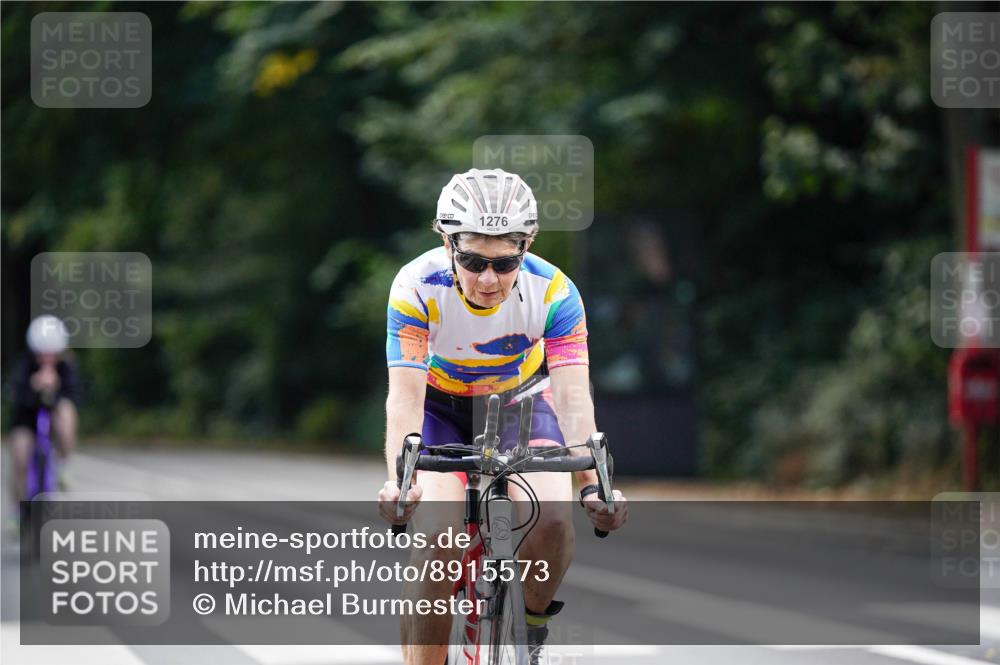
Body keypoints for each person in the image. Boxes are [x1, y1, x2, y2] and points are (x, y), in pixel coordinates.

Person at [376, 168, 628, 665]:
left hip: (521, 404)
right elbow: (405, 396)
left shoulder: (557, 293)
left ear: (528, 245)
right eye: (472, 260)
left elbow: (574, 397)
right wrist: (399, 482)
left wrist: (594, 484)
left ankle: (530, 634)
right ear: (447, 242)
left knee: (554, 519)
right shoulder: (414, 286)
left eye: (506, 261)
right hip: (439, 408)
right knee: (438, 538)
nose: (489, 278)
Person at [7, 315, 80, 507]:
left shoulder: (66, 366)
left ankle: (64, 464)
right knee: (20, 456)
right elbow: (14, 397)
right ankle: (19, 508)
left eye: (52, 354)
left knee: (66, 411)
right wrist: (33, 387)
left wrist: (55, 390)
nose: (46, 359)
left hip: (53, 420)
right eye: (41, 354)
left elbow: (75, 395)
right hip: (25, 420)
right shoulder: (23, 365)